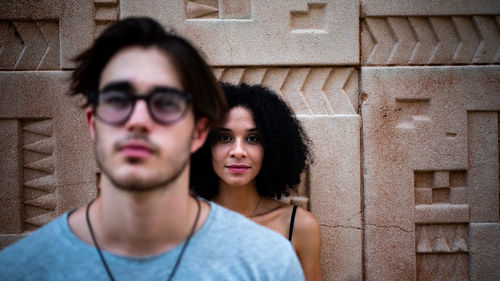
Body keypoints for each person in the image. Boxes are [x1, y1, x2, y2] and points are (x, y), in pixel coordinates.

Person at [0, 17, 304, 281]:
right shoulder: (16, 271)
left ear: (198, 131)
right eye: (119, 100)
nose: (139, 121)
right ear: (93, 122)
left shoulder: (270, 263)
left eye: (165, 103)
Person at [191, 83, 322, 281]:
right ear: (204, 144)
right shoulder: (182, 224)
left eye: (253, 139)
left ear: (271, 148)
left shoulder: (298, 225)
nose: (238, 151)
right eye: (224, 137)